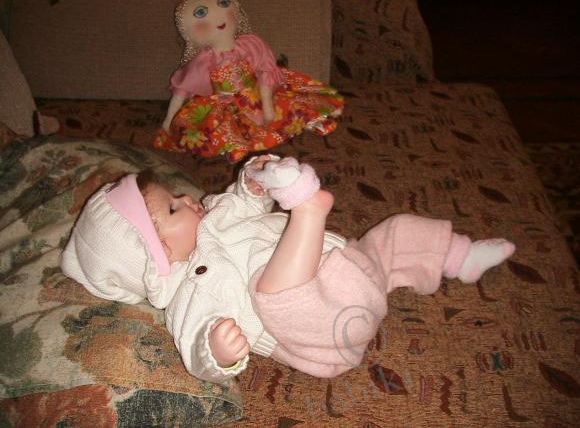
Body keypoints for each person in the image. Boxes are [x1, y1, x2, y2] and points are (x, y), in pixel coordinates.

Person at [60, 155, 516, 385]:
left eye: (177, 196)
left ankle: (462, 258)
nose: (187, 199)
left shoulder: (216, 214)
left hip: (349, 273)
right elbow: (196, 351)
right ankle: (309, 213)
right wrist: (216, 352)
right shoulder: (189, 293)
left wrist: (254, 180)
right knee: (270, 291)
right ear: (157, 252)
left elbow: (242, 201)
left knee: (395, 231)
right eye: (174, 208)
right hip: (320, 330)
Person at [152, 0, 344, 163]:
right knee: (220, 126)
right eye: (201, 13)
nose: (219, 16)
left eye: (223, 3)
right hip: (224, 104)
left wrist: (267, 105)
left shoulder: (250, 45)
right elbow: (182, 90)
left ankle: (312, 118)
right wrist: (168, 122)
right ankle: (235, 145)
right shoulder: (203, 61)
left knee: (288, 106)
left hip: (256, 95)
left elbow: (265, 72)